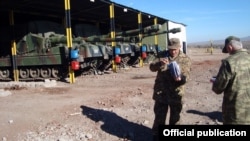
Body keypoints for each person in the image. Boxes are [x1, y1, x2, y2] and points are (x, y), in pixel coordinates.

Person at [149, 38, 191, 140]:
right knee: (159, 118)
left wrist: (181, 79)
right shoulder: (162, 55)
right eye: (171, 49)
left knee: (175, 119)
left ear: (179, 47)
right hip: (161, 93)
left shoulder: (185, 59)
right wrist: (159, 63)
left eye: (175, 49)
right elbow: (151, 67)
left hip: (176, 93)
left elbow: (187, 76)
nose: (173, 51)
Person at [211, 36, 250, 125]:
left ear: (230, 47)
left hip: (235, 112)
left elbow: (218, 89)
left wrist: (216, 81)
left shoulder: (229, 62)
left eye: (227, 50)